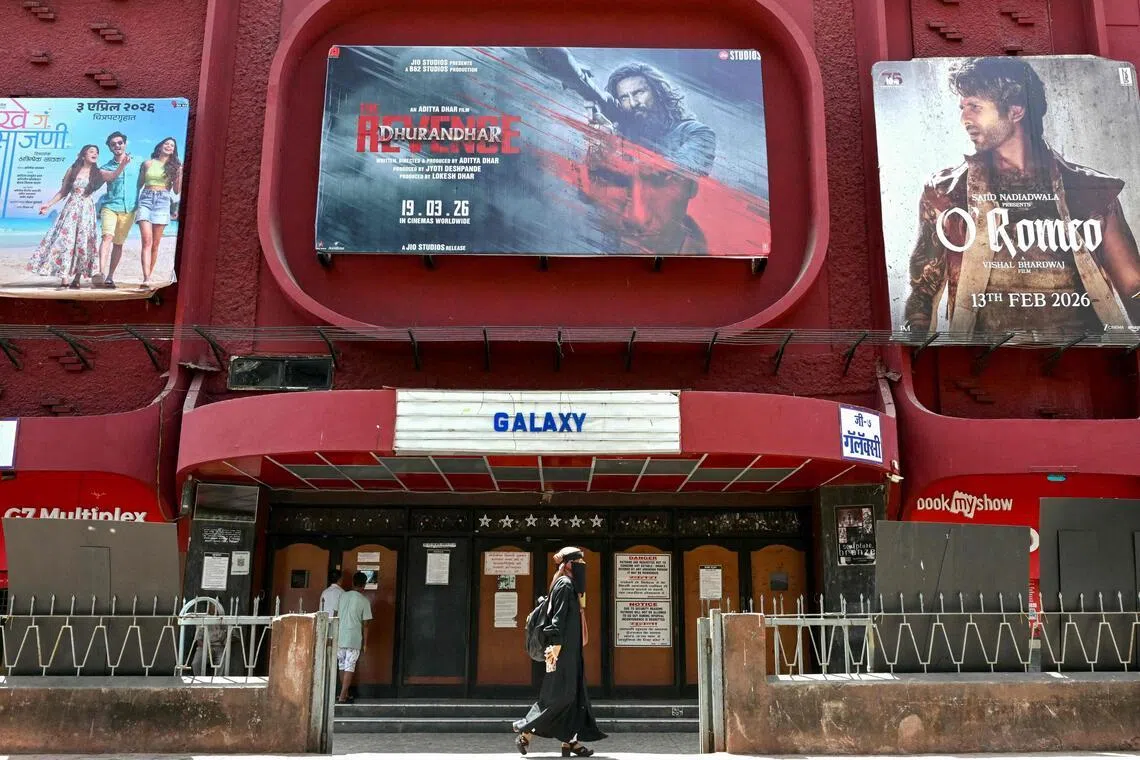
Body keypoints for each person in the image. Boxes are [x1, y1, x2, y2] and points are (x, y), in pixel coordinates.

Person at [903, 56, 1140, 337]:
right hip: (982, 365)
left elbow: (1133, 287)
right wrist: (915, 349)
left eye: (975, 107)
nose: (965, 119)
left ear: (1016, 111)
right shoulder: (945, 193)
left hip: (1081, 360)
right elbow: (922, 291)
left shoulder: (1091, 192)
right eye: (963, 108)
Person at [526, 48, 717, 254]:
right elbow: (588, 195)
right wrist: (598, 152)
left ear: (658, 93)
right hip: (621, 244)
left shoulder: (696, 133)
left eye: (639, 93)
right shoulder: (624, 129)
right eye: (624, 98)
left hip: (672, 244)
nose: (633, 104)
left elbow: (679, 171)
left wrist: (616, 153)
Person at [513, 547, 606, 757]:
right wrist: (555, 646)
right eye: (580, 562)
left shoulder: (568, 584)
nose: (583, 565)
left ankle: (570, 742)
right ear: (570, 564)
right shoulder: (564, 584)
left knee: (574, 697)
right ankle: (525, 730)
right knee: (559, 697)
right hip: (562, 652)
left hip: (570, 652)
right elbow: (558, 618)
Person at [27, 145, 106, 289]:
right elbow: (63, 191)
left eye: (97, 152)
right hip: (71, 209)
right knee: (66, 241)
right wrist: (48, 205)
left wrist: (122, 166)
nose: (95, 154)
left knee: (83, 243)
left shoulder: (98, 173)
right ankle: (64, 279)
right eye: (91, 151)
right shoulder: (72, 170)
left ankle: (77, 278)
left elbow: (112, 176)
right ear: (83, 155)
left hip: (87, 211)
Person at [134, 136, 183, 287]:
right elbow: (139, 184)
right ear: (160, 146)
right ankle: (146, 278)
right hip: (146, 199)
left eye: (172, 146)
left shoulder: (174, 167)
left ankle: (149, 274)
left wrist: (180, 173)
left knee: (155, 244)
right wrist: (134, 203)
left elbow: (176, 191)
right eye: (166, 144)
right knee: (146, 240)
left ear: (174, 150)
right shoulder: (148, 163)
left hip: (163, 201)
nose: (169, 146)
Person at [95, 131, 133, 289]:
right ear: (110, 148)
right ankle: (100, 273)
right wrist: (122, 165)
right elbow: (110, 177)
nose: (117, 145)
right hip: (109, 206)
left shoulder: (137, 164)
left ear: (125, 143)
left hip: (129, 209)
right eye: (113, 144)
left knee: (118, 244)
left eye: (120, 142)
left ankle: (110, 277)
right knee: (107, 237)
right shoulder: (104, 168)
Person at [334, 570, 372, 704]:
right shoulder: (364, 601)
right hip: (353, 637)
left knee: (342, 665)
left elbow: (335, 614)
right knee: (350, 666)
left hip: (340, 635)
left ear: (352, 582)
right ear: (364, 585)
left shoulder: (343, 596)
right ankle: (343, 695)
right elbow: (366, 624)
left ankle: (345, 693)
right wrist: (365, 643)